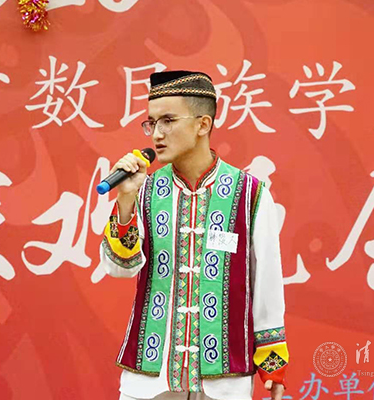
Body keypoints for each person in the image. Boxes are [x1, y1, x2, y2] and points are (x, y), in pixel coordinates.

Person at [99, 70, 288, 400]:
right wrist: (125, 198)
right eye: (151, 123)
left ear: (203, 125)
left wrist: (273, 366)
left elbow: (266, 284)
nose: (157, 134)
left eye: (168, 121)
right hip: (149, 380)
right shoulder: (145, 190)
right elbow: (120, 268)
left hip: (224, 382)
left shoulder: (250, 195)